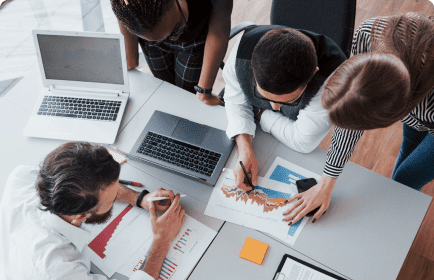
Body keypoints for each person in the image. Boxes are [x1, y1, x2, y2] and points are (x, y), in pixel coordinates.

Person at [0, 142, 185, 280]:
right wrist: (162, 239)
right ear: (80, 216)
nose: (116, 196)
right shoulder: (58, 270)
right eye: (111, 199)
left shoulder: (23, 177)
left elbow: (90, 182)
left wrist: (139, 198)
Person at [284, 13, 434, 225]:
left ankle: (398, 209)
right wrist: (327, 181)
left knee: (407, 178)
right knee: (410, 141)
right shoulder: (368, 34)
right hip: (417, 103)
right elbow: (354, 107)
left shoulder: (428, 107)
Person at [223, 25, 347, 190]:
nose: (273, 107)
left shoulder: (333, 82)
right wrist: (245, 149)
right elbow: (235, 102)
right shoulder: (241, 53)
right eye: (263, 96)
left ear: (313, 74)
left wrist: (258, 111)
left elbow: (302, 141)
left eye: (289, 99)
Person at [111, 0, 232, 106]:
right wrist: (129, 56)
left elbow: (219, 29)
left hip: (194, 37)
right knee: (168, 92)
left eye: (177, 26)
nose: (173, 39)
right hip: (151, 42)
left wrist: (204, 91)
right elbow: (123, 9)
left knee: (186, 97)